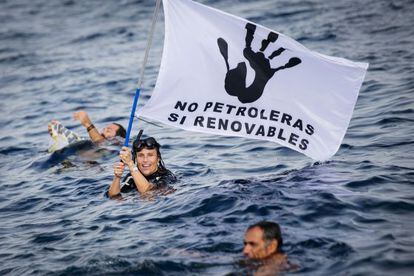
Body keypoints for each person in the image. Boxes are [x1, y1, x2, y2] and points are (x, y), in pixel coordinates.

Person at [108, 134, 176, 197]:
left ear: (158, 158)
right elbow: (114, 196)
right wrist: (117, 177)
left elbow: (147, 192)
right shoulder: (131, 177)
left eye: (150, 155)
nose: (145, 160)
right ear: (136, 159)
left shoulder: (167, 176)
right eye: (141, 155)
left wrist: (130, 164)